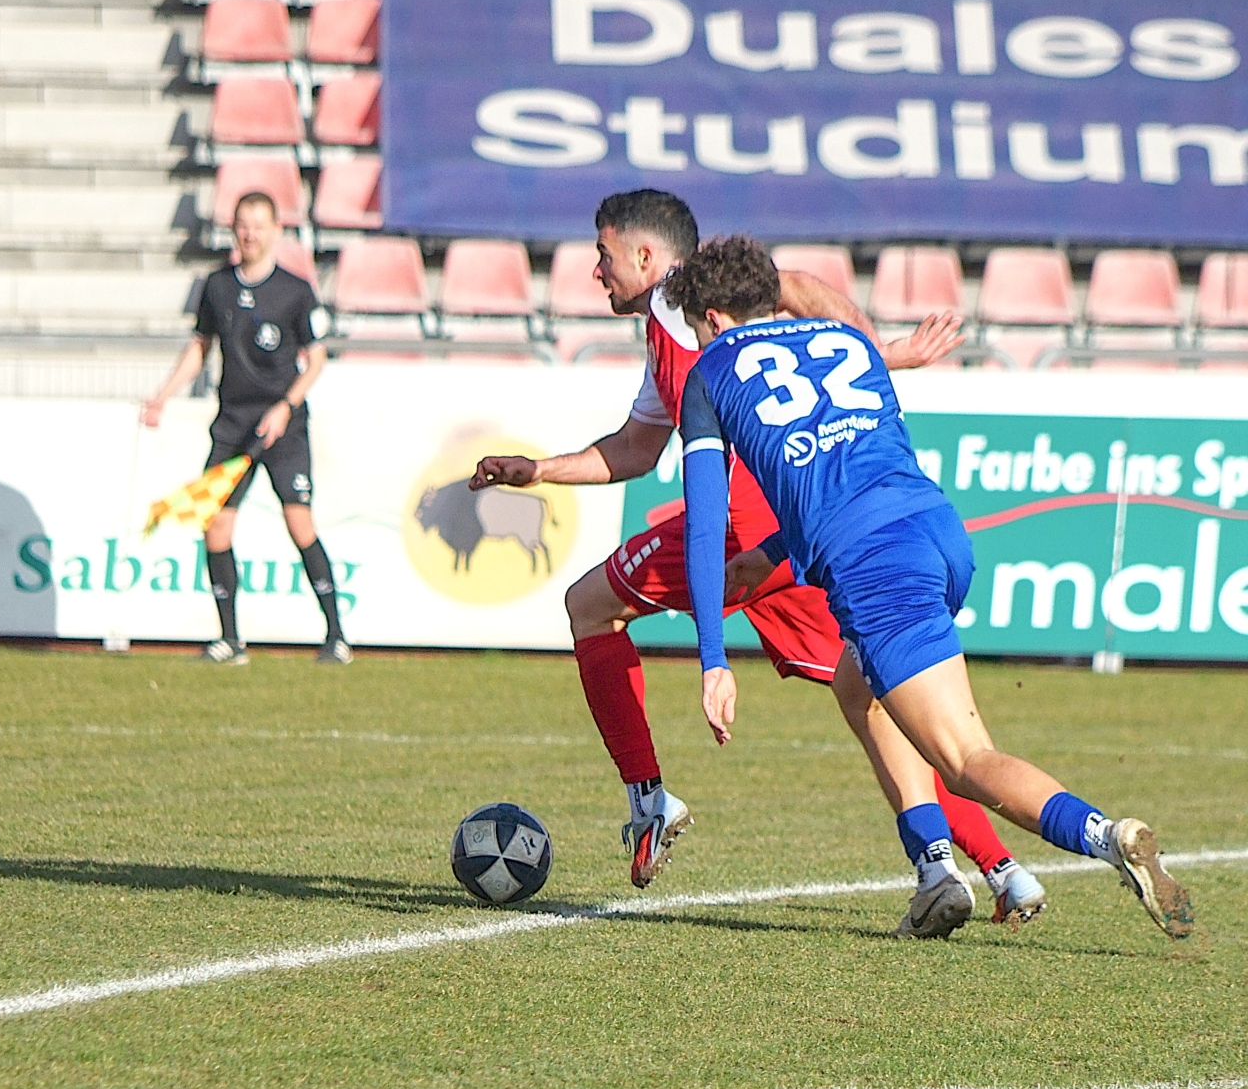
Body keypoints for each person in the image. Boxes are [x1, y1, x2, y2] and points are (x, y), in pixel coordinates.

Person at [469, 191, 1045, 925]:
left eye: (603, 254)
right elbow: (637, 449)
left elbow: (794, 286)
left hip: (742, 525)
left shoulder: (687, 302)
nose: (594, 271)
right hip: (793, 536)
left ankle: (648, 800)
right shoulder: (664, 338)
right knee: (875, 689)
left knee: (588, 605)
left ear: (646, 257)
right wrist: (540, 470)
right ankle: (996, 868)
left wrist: (878, 348)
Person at [672, 235, 1192, 939]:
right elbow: (852, 471)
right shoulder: (849, 342)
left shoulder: (708, 373)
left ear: (716, 318)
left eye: (700, 327)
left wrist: (712, 659)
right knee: (856, 682)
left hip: (877, 568)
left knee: (965, 756)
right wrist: (777, 553)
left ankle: (1106, 833)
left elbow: (705, 528)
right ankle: (934, 868)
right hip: (937, 532)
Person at [142, 192, 349, 665]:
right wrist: (163, 395)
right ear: (233, 230)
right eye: (242, 224)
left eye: (259, 224)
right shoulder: (216, 286)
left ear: (277, 229)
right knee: (216, 526)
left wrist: (284, 406)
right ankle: (230, 640)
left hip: (283, 426)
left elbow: (315, 360)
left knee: (299, 521)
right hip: (233, 425)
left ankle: (337, 635)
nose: (250, 233)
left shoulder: (296, 291)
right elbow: (200, 347)